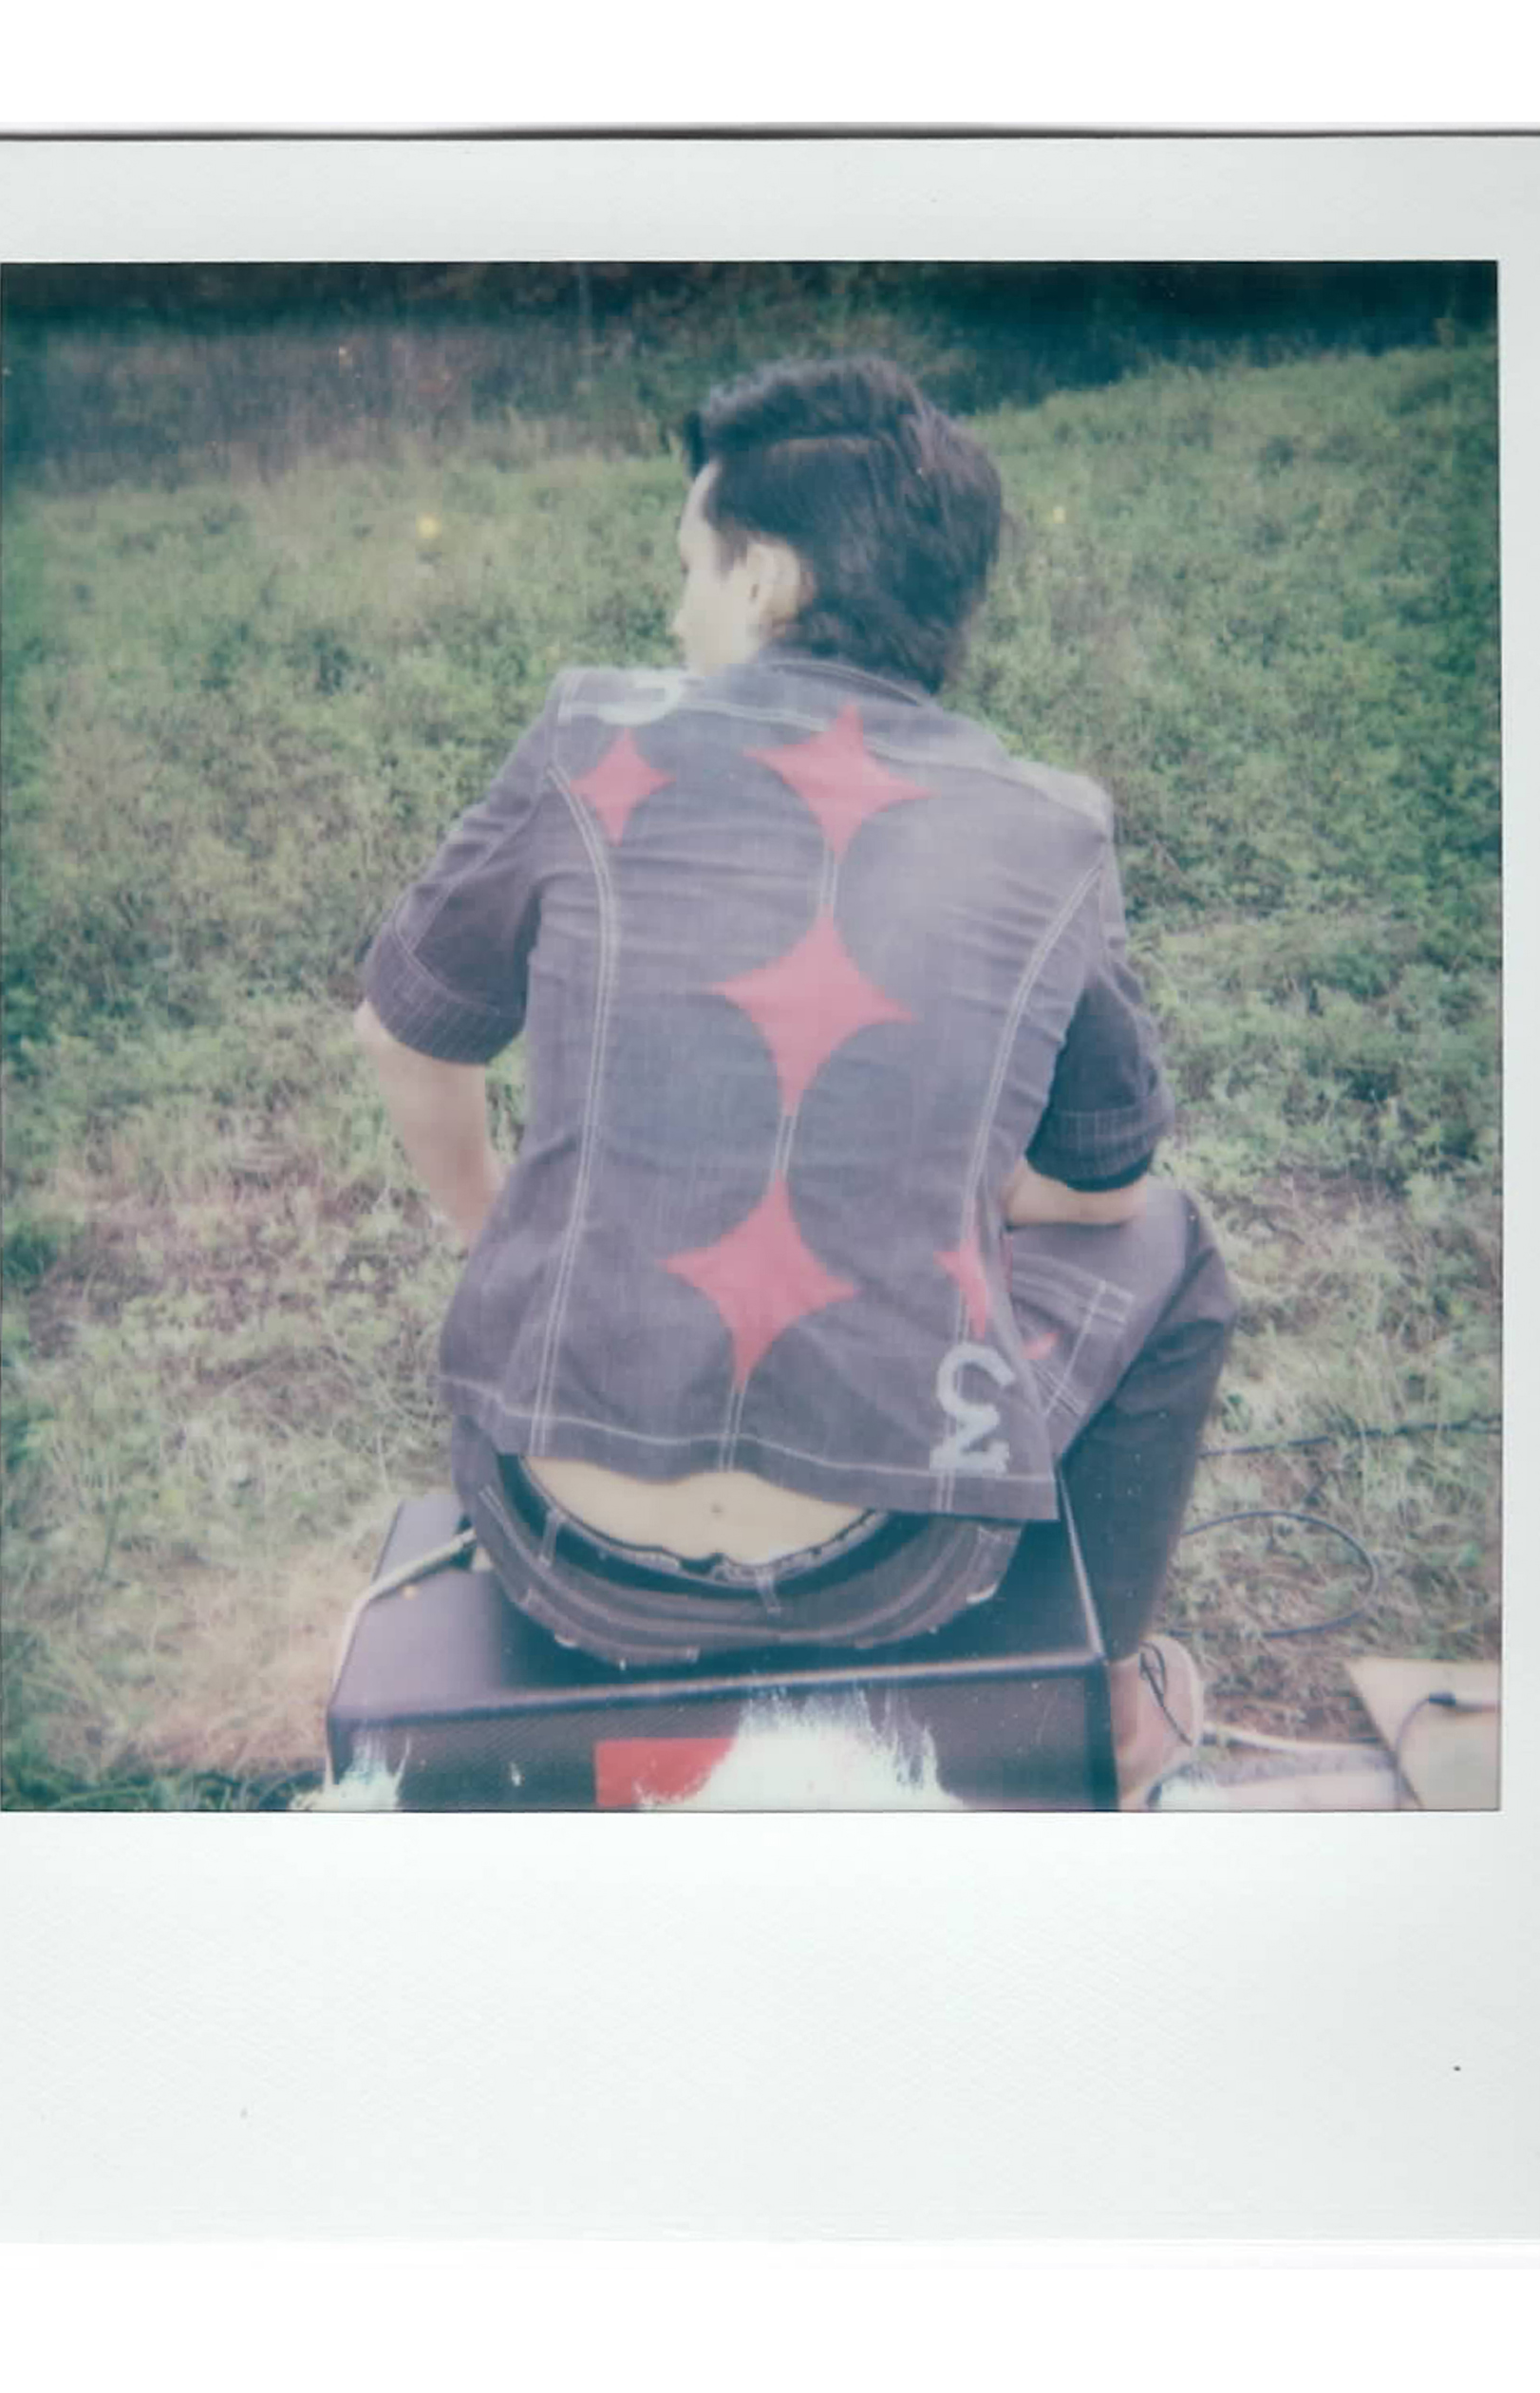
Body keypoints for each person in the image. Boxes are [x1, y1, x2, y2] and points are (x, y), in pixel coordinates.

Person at [353, 356, 1236, 1804]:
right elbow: (1105, 1192)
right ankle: (1108, 1695)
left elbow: (405, 1038)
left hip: (559, 1543)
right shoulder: (1050, 830)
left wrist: (499, 1238)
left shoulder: (588, 741)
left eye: (689, 565)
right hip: (890, 1564)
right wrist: (943, 1180)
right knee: (1178, 1251)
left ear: (764, 576)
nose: (675, 611)